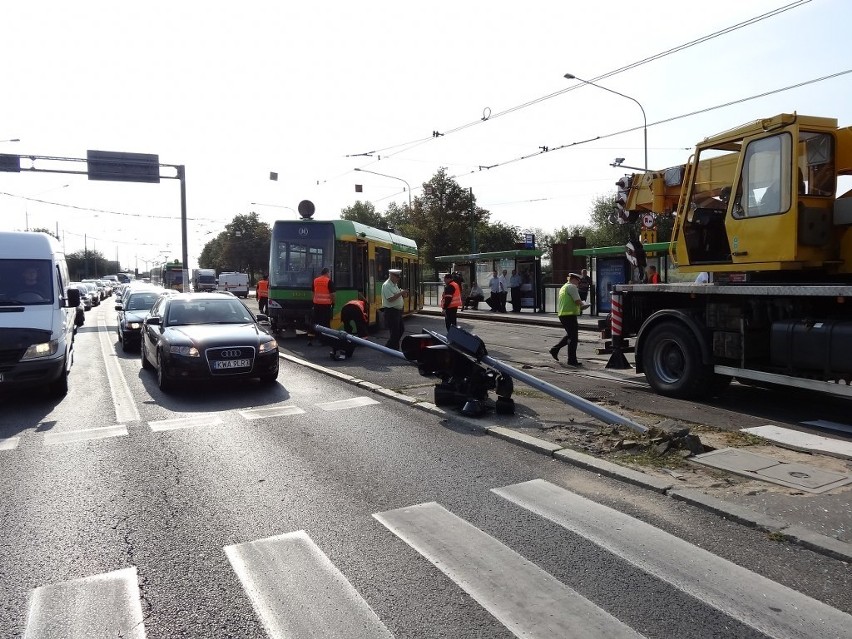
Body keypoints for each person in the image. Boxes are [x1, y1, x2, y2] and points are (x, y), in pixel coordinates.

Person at [549, 273, 589, 367]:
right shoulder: (572, 287)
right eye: (578, 281)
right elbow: (577, 301)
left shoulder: (564, 287)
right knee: (573, 338)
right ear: (575, 280)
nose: (578, 284)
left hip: (563, 314)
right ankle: (571, 360)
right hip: (569, 315)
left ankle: (555, 350)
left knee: (570, 335)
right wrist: (585, 305)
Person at [332, 294, 369, 360]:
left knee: (347, 325)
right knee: (360, 325)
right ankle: (363, 340)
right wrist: (366, 321)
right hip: (355, 310)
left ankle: (347, 338)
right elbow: (363, 318)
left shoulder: (354, 301)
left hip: (345, 309)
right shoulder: (362, 304)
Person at [381, 268, 407, 350]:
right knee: (395, 331)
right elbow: (390, 299)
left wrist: (403, 294)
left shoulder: (394, 284)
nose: (398, 279)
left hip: (397, 311)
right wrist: (401, 293)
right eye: (397, 277)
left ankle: (390, 345)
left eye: (399, 277)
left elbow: (397, 295)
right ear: (391, 276)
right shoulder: (386, 285)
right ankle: (393, 347)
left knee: (401, 329)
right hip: (391, 311)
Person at [309, 267, 335, 346]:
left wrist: (314, 302)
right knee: (325, 323)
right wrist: (333, 303)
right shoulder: (329, 281)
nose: (329, 275)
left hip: (316, 305)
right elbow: (332, 295)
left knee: (315, 322)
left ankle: (310, 339)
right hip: (326, 306)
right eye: (329, 273)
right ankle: (324, 340)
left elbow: (313, 293)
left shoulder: (315, 280)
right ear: (327, 273)